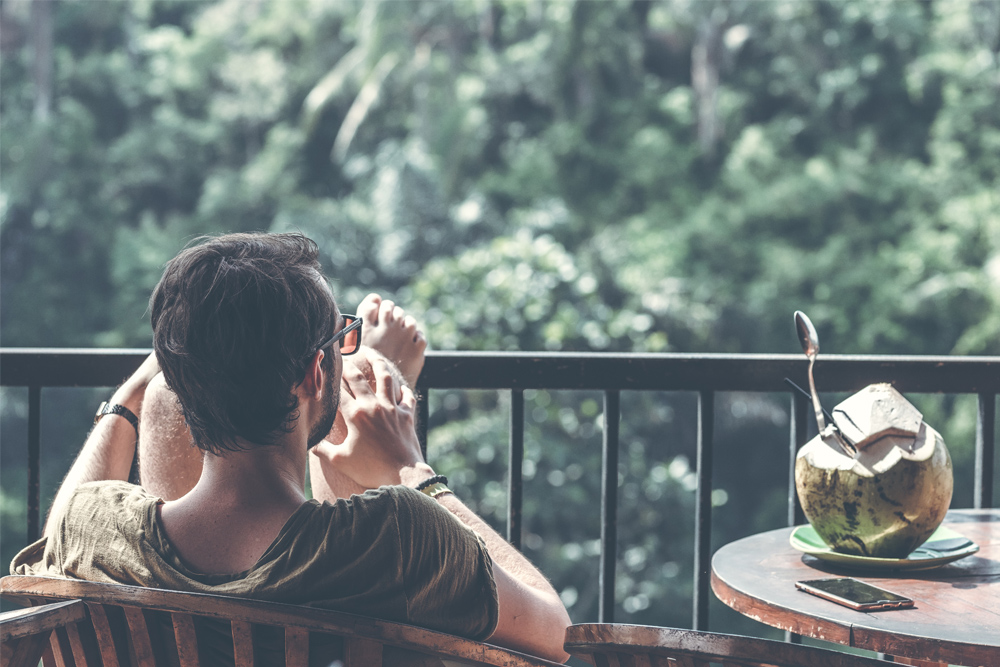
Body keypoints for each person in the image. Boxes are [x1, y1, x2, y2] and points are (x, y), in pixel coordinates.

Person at [11, 232, 571, 663]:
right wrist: (412, 469)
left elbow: (55, 544)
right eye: (339, 342)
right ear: (311, 374)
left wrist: (129, 398)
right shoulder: (399, 537)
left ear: (179, 379)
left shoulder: (94, 527)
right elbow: (557, 634)